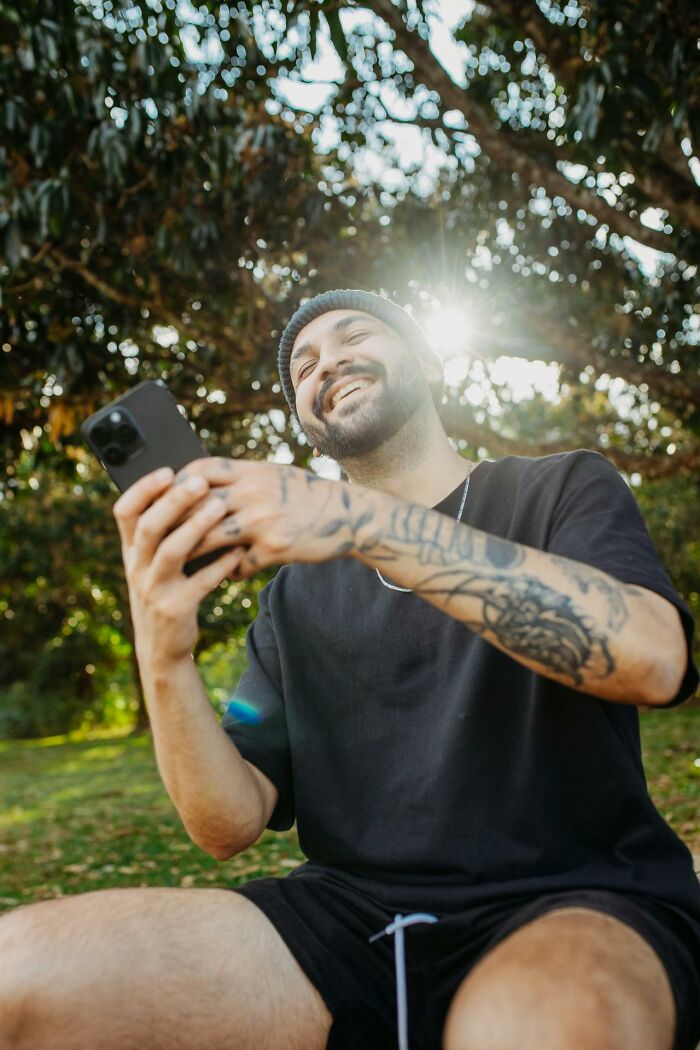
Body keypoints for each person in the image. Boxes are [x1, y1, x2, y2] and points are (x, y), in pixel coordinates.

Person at [0, 289, 698, 1050]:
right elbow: (228, 821)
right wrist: (162, 656)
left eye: (353, 334)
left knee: (529, 1032)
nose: (326, 361)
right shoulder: (291, 598)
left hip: (581, 898)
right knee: (18, 977)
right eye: (302, 366)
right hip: (349, 924)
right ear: (305, 418)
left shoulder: (560, 488)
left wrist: (358, 521)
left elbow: (654, 661)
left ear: (425, 358)